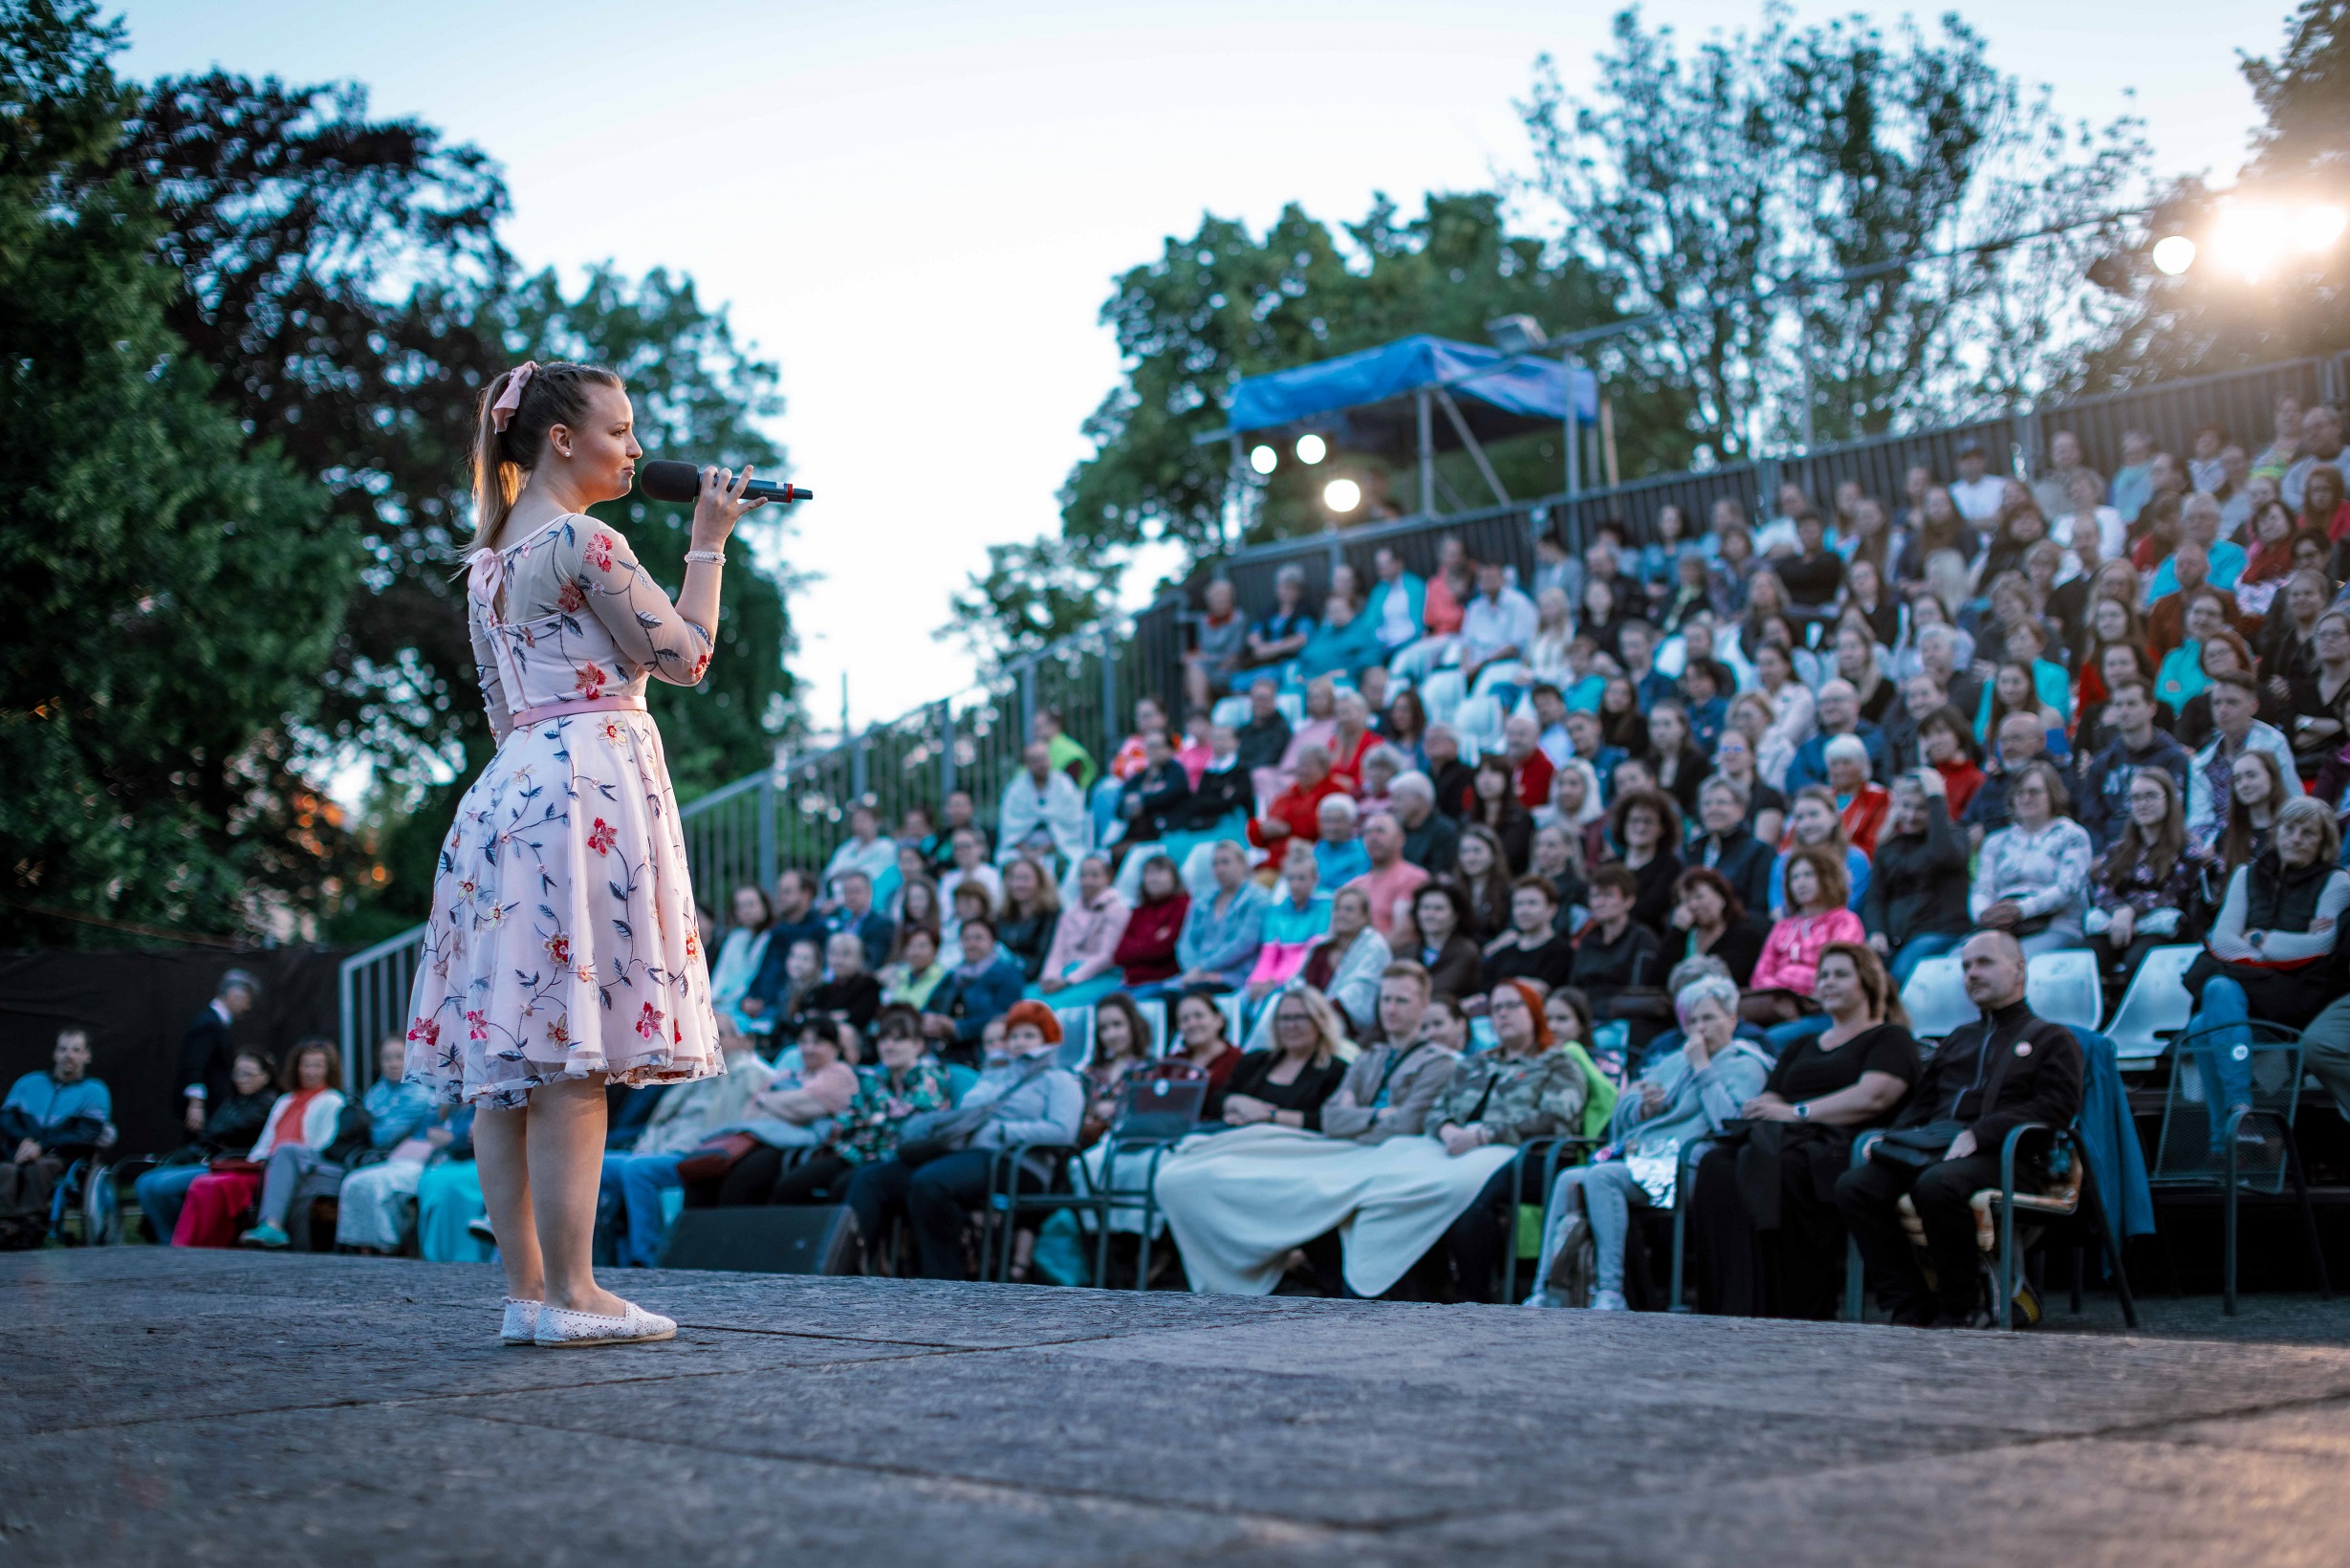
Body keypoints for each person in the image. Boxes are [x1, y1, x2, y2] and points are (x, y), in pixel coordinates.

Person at [397, 368, 765, 1341]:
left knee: (510, 1059)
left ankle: (526, 1294)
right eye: (619, 428)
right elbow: (686, 656)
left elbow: (504, 707)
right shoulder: (587, 541)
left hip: (511, 788)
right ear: (560, 439)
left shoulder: (485, 565)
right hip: (586, 783)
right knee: (571, 1055)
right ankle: (577, 1291)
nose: (635, 448)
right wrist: (708, 542)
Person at [1835, 929, 2085, 1327]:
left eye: (1984, 962)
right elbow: (1922, 1102)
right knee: (1856, 1187)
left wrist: (1980, 1134)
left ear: (2019, 968)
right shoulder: (1958, 1039)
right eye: (1966, 966)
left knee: (1937, 1185)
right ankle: (1910, 1304)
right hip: (1939, 1150)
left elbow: (2057, 1106)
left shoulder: (2052, 1038)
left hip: (2009, 1156)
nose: (1971, 973)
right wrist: (1892, 1139)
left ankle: (1961, 1305)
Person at [1693, 944, 1920, 1319]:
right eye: (1824, 975)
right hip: (1785, 1138)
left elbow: (1874, 1097)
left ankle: (1790, 1306)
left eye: (1840, 974)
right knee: (1716, 1164)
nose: (1828, 982)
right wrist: (1765, 1107)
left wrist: (1797, 1113)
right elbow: (1770, 1095)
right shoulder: (1800, 1045)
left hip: (1841, 1146)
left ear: (1867, 982)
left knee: (1780, 1165)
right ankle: (1733, 1304)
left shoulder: (1888, 1038)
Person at [1528, 974, 1771, 1310]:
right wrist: (1644, 1106)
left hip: (1687, 1169)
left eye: (1709, 1018)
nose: (1699, 1028)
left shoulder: (1747, 1065)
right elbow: (1622, 1112)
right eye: (1693, 1020)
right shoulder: (1674, 1060)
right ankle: (1545, 1289)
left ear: (1732, 1020)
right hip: (1645, 1161)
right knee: (1568, 1179)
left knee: (1602, 1176)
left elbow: (1729, 1123)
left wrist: (1702, 1067)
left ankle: (1609, 1291)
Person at [843, 1001, 1083, 1279]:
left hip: (1019, 1161)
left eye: (1029, 1035)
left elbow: (1063, 1132)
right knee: (873, 1178)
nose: (1019, 1042)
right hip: (968, 1154)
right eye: (1014, 1035)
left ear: (1048, 1040)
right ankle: (848, 1271)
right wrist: (994, 1077)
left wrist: (1006, 1131)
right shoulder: (995, 1073)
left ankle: (943, 1280)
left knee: (931, 1182)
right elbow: (967, 1111)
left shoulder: (1060, 1080)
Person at [1426, 981, 1590, 1302]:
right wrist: (1446, 1129)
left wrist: (1485, 1135)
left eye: (1512, 1006)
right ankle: (1423, 1287)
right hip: (1461, 1152)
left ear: (1534, 1011)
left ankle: (1473, 1297)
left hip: (1533, 1157)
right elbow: (1435, 1110)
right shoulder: (1473, 1064)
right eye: (1496, 1008)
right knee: (1406, 1188)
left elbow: (1556, 1119)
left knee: (1471, 1201)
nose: (1502, 1014)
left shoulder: (1557, 1062)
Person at [237, 1035, 435, 1249]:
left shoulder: (417, 1095)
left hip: (377, 1162)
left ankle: (288, 1242)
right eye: (386, 1058)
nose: (392, 1063)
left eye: (399, 1057)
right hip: (352, 1159)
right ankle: (281, 1236)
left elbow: (380, 1137)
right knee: (289, 1160)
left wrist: (362, 1123)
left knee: (297, 1171)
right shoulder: (378, 1091)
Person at [602, 1026, 774, 1263]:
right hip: (657, 1149)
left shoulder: (750, 1073)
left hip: (694, 1154)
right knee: (594, 1167)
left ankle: (646, 1257)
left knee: (638, 1170)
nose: (712, 1038)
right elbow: (662, 1120)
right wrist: (647, 1145)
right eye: (708, 1031)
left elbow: (735, 1124)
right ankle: (592, 1256)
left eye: (720, 1033)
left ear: (740, 1039)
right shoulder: (698, 1072)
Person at [175, 1038, 344, 1250]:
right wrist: (257, 1159)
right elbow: (265, 1141)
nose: (310, 1071)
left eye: (318, 1065)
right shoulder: (285, 1100)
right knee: (204, 1183)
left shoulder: (333, 1100)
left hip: (299, 1166)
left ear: (329, 1069)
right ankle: (186, 1245)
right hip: (266, 1165)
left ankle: (262, 1229)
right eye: (306, 1064)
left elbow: (321, 1146)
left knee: (216, 1184)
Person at [136, 1046, 275, 1245]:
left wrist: (214, 1136)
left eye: (248, 1073)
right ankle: (166, 1238)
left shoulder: (268, 1102)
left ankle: (175, 1242)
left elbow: (222, 1130)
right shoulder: (234, 1100)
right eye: (238, 1073)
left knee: (160, 1187)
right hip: (212, 1159)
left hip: (233, 1166)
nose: (241, 1078)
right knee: (143, 1182)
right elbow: (211, 1132)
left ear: (265, 1076)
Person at [2086, 768, 2204, 987]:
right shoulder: (2118, 848)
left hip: (2163, 927)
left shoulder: (2188, 847)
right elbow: (2103, 892)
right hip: (2117, 923)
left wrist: (2132, 911)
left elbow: (2176, 894)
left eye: (2150, 796)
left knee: (2138, 961)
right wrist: (2119, 912)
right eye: (2135, 798)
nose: (2142, 804)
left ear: (2169, 799)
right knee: (2087, 958)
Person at [1858, 770, 1971, 984]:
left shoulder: (1954, 838)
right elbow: (1876, 897)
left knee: (1897, 977)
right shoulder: (1888, 848)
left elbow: (1944, 856)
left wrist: (1936, 798)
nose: (1910, 816)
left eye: (1921, 809)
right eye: (1906, 807)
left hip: (1941, 932)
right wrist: (1876, 932)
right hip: (1896, 940)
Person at [1970, 760, 2094, 956]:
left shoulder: (2072, 836)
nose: (2025, 798)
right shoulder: (1996, 841)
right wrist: (1984, 914)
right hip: (2001, 928)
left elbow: (2067, 889)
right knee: (1955, 962)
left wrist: (2021, 910)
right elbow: (1982, 889)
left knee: (2008, 962)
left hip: (2056, 927)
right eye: (2019, 793)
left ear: (2052, 795)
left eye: (2034, 792)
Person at [1746, 846, 1865, 1034]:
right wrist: (1787, 993)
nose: (1801, 883)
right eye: (1795, 877)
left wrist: (1787, 980)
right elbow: (1759, 977)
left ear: (1827, 878)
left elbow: (1835, 974)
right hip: (1778, 1010)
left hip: (1823, 1012)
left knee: (1771, 1039)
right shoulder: (1782, 927)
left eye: (1809, 875)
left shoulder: (1845, 921)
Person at [1140, 839, 1268, 997]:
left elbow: (1244, 943)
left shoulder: (1258, 898)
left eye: (1225, 862)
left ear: (1243, 864)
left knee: (1187, 999)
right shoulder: (1203, 899)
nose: (1219, 869)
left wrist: (1201, 969)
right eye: (1215, 864)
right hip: (1194, 976)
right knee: (1157, 998)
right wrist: (1194, 970)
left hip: (1233, 977)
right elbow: (1184, 942)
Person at [2076, 680, 2191, 852]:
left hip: (2159, 850)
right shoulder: (2102, 762)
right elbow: (2090, 818)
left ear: (2152, 708)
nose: (2123, 711)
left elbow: (2178, 813)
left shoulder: (2174, 758)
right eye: (2118, 705)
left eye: (2131, 704)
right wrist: (2099, 853)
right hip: (2110, 852)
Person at [2187, 672, 2301, 840]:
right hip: (2218, 845)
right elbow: (2198, 818)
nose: (2223, 710)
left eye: (2232, 702)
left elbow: (2293, 800)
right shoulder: (2202, 762)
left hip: (2270, 837)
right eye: (2217, 703)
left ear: (2253, 706)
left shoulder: (2272, 743)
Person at [1222, 991, 1352, 1129]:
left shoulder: (1337, 1070)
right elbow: (1217, 1099)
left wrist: (1271, 1116)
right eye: (1284, 1018)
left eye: (1300, 1017)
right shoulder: (1255, 1060)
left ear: (1320, 1022)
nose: (1291, 1026)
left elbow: (1330, 1120)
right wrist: (1238, 1103)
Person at [1567, 866, 1666, 1035]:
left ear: (1629, 901)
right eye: (1595, 896)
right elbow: (1574, 985)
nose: (1599, 902)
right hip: (1584, 1020)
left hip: (1621, 1023)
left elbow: (1641, 992)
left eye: (1608, 895)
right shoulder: (1588, 940)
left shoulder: (1642, 939)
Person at [1028, 853, 1131, 1006]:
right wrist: (1050, 977)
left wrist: (1069, 980)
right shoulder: (1069, 913)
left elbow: (1107, 956)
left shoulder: (1117, 910)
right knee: (1027, 997)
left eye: (1095, 876)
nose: (1087, 881)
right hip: (1065, 972)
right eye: (1083, 876)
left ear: (1108, 878)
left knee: (1052, 1005)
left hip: (1099, 976)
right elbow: (1056, 952)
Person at [177, 969, 260, 1136]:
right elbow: (195, 1063)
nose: (247, 1007)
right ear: (233, 995)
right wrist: (196, 1104)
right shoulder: (209, 1024)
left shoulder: (214, 1023)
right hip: (206, 1109)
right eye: (246, 1000)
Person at [1665, 867, 1766, 987]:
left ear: (1722, 897)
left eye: (1699, 896)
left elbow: (1729, 978)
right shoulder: (1682, 937)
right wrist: (1677, 932)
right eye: (1686, 900)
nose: (1693, 905)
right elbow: (1656, 980)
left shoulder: (1744, 936)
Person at [1341, 810, 1431, 943]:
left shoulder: (1414, 878)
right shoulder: (1354, 885)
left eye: (1380, 831)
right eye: (1367, 832)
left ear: (1400, 839)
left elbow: (1403, 933)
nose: (1373, 837)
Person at [1608, 788, 1685, 936]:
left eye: (1648, 821)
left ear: (1662, 828)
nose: (1641, 827)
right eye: (1634, 820)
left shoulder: (1670, 867)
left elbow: (1651, 909)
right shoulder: (1609, 866)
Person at [1000, 742, 1089, 868]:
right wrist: (1026, 851)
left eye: (1043, 759)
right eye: (1035, 761)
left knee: (1068, 864)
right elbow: (1010, 829)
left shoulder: (1065, 786)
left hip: (1058, 846)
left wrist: (1045, 849)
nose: (1041, 764)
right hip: (1023, 848)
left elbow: (1072, 824)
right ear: (1027, 764)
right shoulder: (1015, 790)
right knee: (1010, 865)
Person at [1109, 854, 1190, 991]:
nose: (1153, 878)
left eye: (1160, 872)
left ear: (1174, 876)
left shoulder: (1183, 905)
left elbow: (1165, 950)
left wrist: (1137, 946)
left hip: (1164, 981)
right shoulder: (1139, 911)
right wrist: (1152, 942)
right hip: (1130, 983)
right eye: (1149, 873)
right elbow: (1119, 955)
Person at [1481, 875, 1577, 991]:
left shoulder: (1562, 952)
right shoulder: (1502, 954)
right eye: (1518, 904)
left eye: (1532, 903)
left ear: (1551, 909)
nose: (1524, 911)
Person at [1403, 880, 1486, 1000]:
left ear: (1456, 915)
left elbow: (1443, 990)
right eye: (1425, 908)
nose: (1430, 914)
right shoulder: (1406, 952)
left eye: (1438, 909)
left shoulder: (1466, 953)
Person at [800, 930, 884, 1037]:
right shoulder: (821, 988)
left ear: (859, 958)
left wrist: (821, 1016)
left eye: (846, 954)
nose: (838, 960)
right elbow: (806, 1014)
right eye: (833, 953)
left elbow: (857, 1020)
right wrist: (832, 1017)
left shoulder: (868, 986)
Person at [1184, 577, 1251, 712]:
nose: (1219, 603)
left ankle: (1200, 713)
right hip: (1209, 666)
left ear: (1230, 600)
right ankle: (1201, 712)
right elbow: (1203, 648)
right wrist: (1199, 656)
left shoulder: (1238, 619)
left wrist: (1205, 658)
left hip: (1229, 667)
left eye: (1222, 599)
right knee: (1193, 665)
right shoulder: (1203, 621)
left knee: (1196, 667)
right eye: (1215, 599)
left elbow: (1234, 653)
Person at [992, 857, 1060, 986]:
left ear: (1039, 882)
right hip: (1003, 976)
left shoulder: (1050, 914)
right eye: (1015, 879)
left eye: (1025, 879)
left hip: (1032, 978)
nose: (1019, 884)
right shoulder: (1003, 914)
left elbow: (1043, 956)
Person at [820, 804, 898, 905]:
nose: (859, 825)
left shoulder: (886, 847)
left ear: (876, 822)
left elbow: (872, 876)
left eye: (863, 820)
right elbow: (830, 874)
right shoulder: (846, 848)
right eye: (856, 821)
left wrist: (845, 873)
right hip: (836, 901)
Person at [1390, 772, 1460, 875]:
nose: (1394, 805)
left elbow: (1440, 872)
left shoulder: (1445, 831)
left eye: (1399, 798)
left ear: (1420, 799)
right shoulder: (1396, 830)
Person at [879, 926, 948, 1011]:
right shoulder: (899, 975)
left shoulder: (944, 979)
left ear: (935, 950)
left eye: (922, 946)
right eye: (910, 946)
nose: (915, 952)